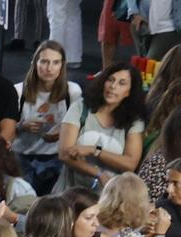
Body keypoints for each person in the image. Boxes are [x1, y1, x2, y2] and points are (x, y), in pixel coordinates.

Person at [61, 63, 148, 195]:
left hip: (109, 197)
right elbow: (64, 154)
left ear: (128, 92)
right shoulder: (80, 107)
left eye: (122, 83)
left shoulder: (134, 121)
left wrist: (94, 151)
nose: (113, 86)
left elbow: (130, 163)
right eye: (110, 80)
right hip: (70, 191)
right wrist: (99, 174)